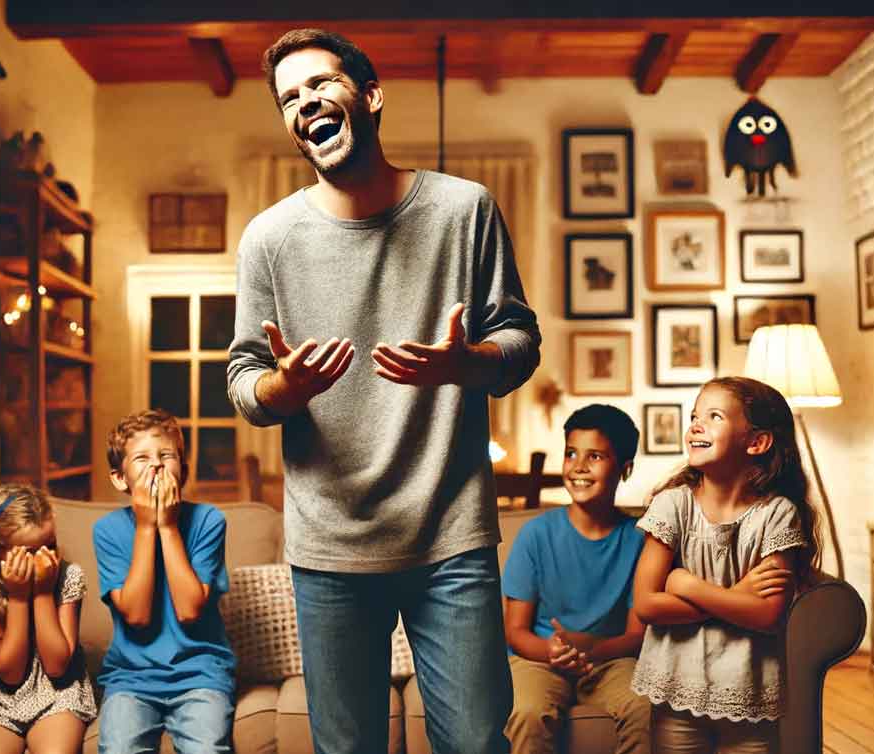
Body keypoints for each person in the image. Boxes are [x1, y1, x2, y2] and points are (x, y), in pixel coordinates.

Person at [227, 28, 541, 754]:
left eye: (319, 84)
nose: (304, 103)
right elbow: (244, 382)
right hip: (329, 545)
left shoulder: (466, 210)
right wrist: (283, 386)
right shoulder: (269, 239)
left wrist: (463, 365)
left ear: (369, 96)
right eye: (288, 98)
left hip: (450, 535)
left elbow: (520, 343)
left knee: (474, 742)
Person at [630, 377, 822, 753]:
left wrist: (687, 585)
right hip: (676, 691)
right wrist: (736, 599)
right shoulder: (672, 505)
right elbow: (647, 605)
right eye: (694, 416)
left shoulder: (777, 515)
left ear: (757, 442)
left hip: (748, 695)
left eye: (714, 416)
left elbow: (768, 615)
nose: (695, 425)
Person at [502, 404, 652, 754]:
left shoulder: (640, 540)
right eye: (571, 453)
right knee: (527, 711)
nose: (579, 466)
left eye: (595, 456)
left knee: (643, 707)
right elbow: (516, 632)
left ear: (625, 469)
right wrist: (553, 652)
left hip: (611, 661)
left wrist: (591, 648)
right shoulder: (535, 534)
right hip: (539, 659)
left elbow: (636, 636)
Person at [92, 410, 235, 754]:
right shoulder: (108, 531)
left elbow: (189, 610)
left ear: (183, 471)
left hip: (200, 675)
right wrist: (145, 526)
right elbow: (138, 616)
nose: (155, 465)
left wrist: (168, 527)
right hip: (131, 679)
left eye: (166, 455)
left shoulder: (208, 521)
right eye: (141, 457)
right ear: (119, 478)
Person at [0, 484, 96, 754]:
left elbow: (57, 666)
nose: (45, 559)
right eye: (30, 551)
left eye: (50, 546)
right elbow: (10, 673)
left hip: (58, 691)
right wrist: (19, 598)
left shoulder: (68, 576)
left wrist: (42, 593)